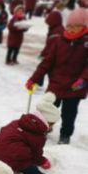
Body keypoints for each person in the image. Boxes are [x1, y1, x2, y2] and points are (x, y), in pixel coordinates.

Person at [0, 92, 82, 174]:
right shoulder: (37, 135)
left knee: (21, 152)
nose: (52, 127)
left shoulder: (18, 122)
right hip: (14, 159)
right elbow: (36, 155)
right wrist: (42, 161)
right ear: (47, 122)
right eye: (52, 124)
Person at [26, 8, 87, 144]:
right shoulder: (59, 41)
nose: (72, 29)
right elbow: (47, 62)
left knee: (69, 114)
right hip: (56, 84)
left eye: (76, 26)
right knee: (46, 109)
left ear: (84, 27)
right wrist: (34, 79)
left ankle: (65, 136)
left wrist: (83, 79)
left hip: (74, 87)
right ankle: (43, 128)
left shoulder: (85, 43)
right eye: (70, 26)